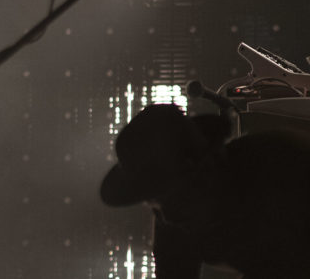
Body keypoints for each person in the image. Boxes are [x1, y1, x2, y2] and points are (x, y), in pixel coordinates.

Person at [101, 103, 310, 278]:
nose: (167, 216)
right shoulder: (179, 216)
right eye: (154, 203)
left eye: (171, 200)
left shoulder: (284, 172)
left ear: (207, 170)